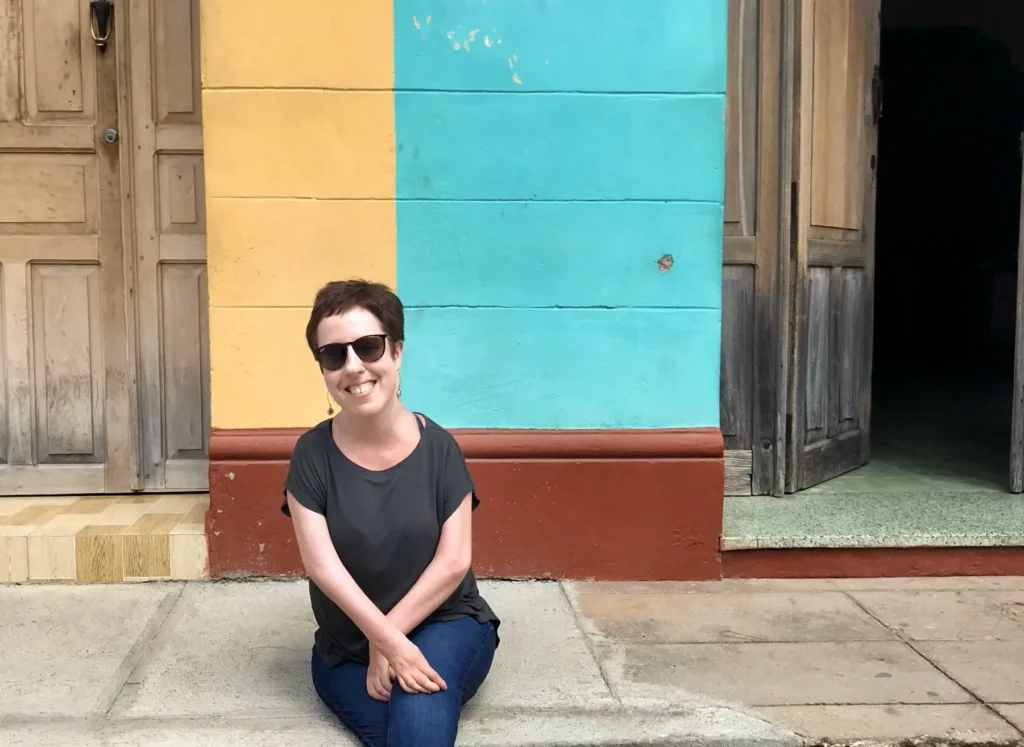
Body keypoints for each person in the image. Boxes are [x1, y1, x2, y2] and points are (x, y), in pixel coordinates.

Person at [281, 279, 500, 747]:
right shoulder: (311, 454)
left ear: (397, 351)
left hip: (444, 624)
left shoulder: (439, 448)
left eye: (369, 346)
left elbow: (454, 562)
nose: (353, 366)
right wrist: (384, 643)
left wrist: (393, 640)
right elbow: (323, 567)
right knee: (410, 734)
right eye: (334, 354)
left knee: (419, 723)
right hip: (349, 650)